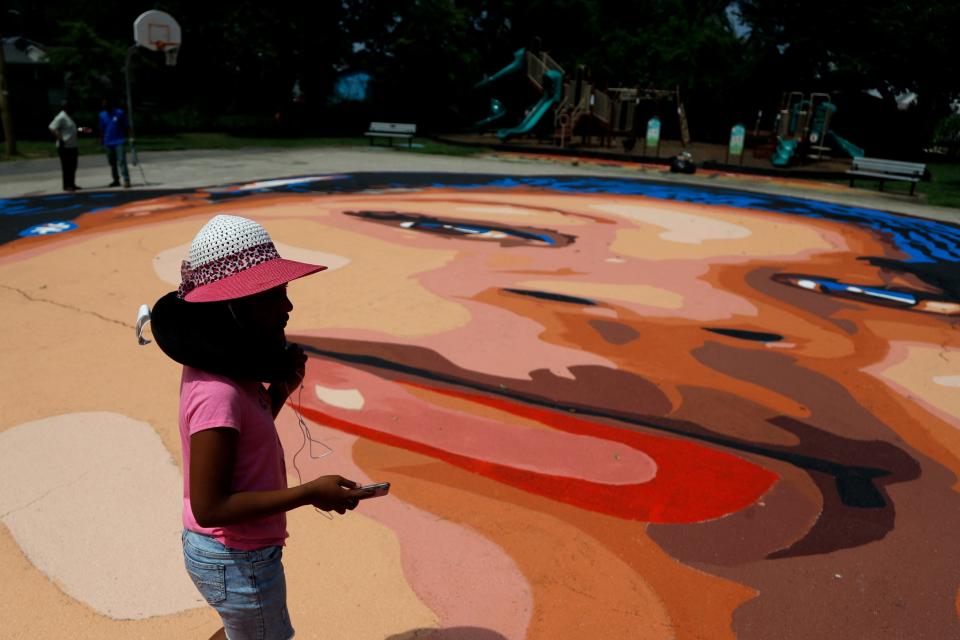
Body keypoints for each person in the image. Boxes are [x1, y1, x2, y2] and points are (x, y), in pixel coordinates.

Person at [150, 214, 374, 640]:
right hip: (237, 558)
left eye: (283, 291)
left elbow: (243, 443)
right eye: (273, 295)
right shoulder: (220, 391)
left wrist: (281, 389)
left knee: (245, 632)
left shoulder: (231, 376)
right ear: (231, 306)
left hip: (229, 553)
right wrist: (311, 493)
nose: (287, 306)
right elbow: (210, 507)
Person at [48, 100, 89, 191]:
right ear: (66, 107)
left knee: (73, 166)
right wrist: (60, 138)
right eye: (70, 107)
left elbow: (74, 128)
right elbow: (52, 127)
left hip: (73, 145)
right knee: (67, 166)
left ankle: (72, 183)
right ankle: (66, 185)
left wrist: (84, 129)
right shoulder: (61, 116)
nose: (72, 109)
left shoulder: (70, 117)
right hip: (64, 146)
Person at [98, 96, 131, 188]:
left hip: (119, 141)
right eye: (103, 104)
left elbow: (127, 126)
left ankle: (126, 179)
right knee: (112, 162)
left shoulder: (119, 113)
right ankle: (115, 179)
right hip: (108, 142)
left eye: (106, 103)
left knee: (121, 161)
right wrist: (101, 140)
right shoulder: (102, 115)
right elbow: (101, 129)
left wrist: (130, 137)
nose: (104, 105)